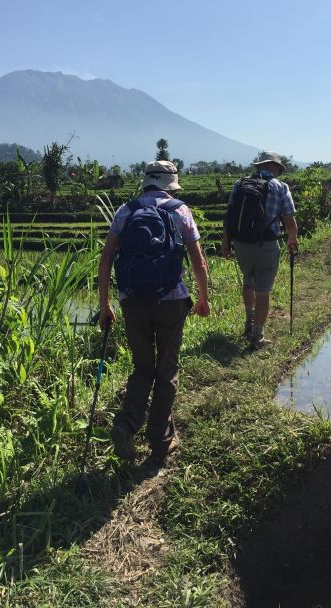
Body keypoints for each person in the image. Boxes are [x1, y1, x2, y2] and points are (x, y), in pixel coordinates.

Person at [98, 160, 210, 467]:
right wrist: (202, 298)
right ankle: (160, 443)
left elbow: (106, 260)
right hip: (172, 301)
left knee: (142, 368)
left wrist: (105, 303)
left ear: (146, 182)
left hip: (132, 302)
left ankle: (126, 424)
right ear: (170, 185)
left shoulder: (126, 211)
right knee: (167, 370)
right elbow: (198, 262)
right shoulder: (179, 210)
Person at [221, 151, 298, 349]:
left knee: (248, 281)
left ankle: (248, 322)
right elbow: (289, 219)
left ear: (259, 166)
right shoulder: (281, 187)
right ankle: (257, 336)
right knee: (263, 291)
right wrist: (292, 239)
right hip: (267, 245)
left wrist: (226, 243)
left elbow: (229, 215)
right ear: (275, 168)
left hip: (241, 244)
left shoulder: (240, 184)